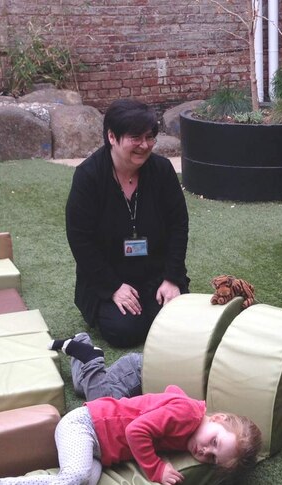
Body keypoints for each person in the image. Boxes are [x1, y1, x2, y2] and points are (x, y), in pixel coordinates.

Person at [66, 99, 190, 348]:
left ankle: (156, 308)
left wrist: (172, 278)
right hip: (110, 277)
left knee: (178, 322)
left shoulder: (162, 171)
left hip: (156, 273)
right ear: (112, 136)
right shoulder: (88, 177)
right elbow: (80, 240)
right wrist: (113, 287)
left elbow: (179, 226)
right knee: (124, 331)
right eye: (135, 138)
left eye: (150, 137)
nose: (144, 145)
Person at [0, 385, 262, 485]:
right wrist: (157, 468)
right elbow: (136, 430)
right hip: (85, 426)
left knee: (85, 480)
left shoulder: (189, 419)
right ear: (218, 418)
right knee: (73, 478)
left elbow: (172, 390)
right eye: (214, 442)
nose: (204, 452)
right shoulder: (187, 415)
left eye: (211, 458)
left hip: (99, 448)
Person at [50, 333, 143, 402]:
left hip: (141, 367)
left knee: (84, 386)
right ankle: (91, 359)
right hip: (139, 370)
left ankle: (80, 342)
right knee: (103, 407)